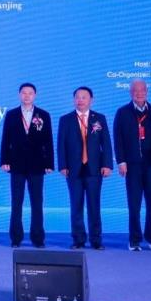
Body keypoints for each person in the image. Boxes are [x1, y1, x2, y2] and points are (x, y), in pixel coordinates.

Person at [113, 79, 151, 252]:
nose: (139, 93)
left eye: (142, 90)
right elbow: (118, 139)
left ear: (147, 92)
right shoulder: (122, 112)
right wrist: (121, 161)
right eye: (135, 91)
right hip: (132, 165)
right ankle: (134, 240)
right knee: (134, 203)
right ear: (131, 93)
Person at [57, 86, 112, 250]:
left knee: (94, 205)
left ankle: (96, 240)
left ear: (91, 100)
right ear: (74, 100)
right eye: (77, 97)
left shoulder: (99, 118)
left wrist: (107, 164)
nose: (80, 100)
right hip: (73, 169)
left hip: (94, 168)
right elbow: (61, 144)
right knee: (76, 205)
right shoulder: (65, 119)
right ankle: (78, 239)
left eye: (84, 97)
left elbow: (106, 143)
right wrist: (63, 165)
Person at [0, 83, 54, 248]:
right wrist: (4, 161)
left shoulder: (43, 115)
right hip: (16, 164)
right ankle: (16, 238)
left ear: (35, 96)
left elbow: (48, 141)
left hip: (37, 165)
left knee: (37, 203)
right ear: (19, 95)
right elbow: (5, 139)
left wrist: (49, 163)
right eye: (24, 93)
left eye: (30, 93)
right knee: (16, 203)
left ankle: (38, 238)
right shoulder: (11, 114)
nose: (27, 96)